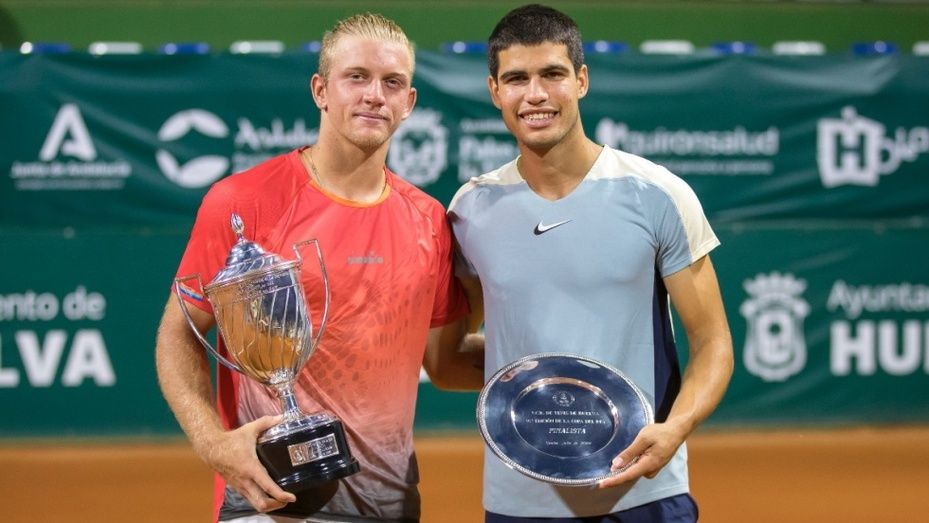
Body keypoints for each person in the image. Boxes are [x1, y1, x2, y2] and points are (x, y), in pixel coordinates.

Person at [155, 12, 482, 523]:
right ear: (320, 90)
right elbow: (179, 334)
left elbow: (445, 363)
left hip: (388, 503)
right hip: (270, 502)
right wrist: (213, 443)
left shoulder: (431, 222)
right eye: (357, 77)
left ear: (408, 103)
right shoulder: (242, 202)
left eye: (392, 83)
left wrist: (550, 361)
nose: (375, 94)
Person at [443, 4, 734, 522]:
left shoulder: (658, 194)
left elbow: (712, 343)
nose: (535, 94)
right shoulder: (470, 210)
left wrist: (675, 428)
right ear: (495, 92)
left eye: (552, 74)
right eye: (516, 79)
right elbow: (447, 361)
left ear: (580, 80)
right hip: (519, 500)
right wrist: (543, 386)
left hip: (643, 491)